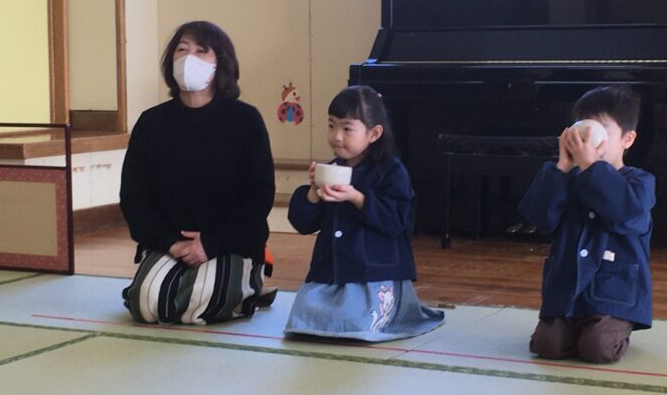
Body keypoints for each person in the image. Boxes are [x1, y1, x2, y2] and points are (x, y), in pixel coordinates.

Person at [120, 20, 276, 325]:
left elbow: (259, 197)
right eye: (182, 50)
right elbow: (133, 196)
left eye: (201, 51)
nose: (188, 58)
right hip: (171, 244)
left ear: (221, 63)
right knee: (146, 306)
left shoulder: (245, 120)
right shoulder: (151, 123)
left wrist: (211, 244)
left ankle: (248, 288)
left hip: (229, 243)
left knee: (205, 302)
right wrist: (170, 242)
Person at [284, 85, 444, 341]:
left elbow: (396, 222)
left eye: (347, 128)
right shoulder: (333, 168)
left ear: (374, 133)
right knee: (303, 318)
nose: (336, 136)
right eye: (331, 125)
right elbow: (303, 223)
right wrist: (314, 191)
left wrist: (356, 198)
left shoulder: (392, 171)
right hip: (330, 271)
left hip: (373, 274)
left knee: (355, 322)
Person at [518, 85, 656, 363]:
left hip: (613, 294)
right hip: (566, 290)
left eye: (600, 131)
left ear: (627, 139)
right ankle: (575, 329)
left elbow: (626, 215)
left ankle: (612, 327)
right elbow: (539, 217)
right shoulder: (565, 178)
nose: (588, 140)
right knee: (548, 345)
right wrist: (561, 168)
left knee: (597, 348)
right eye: (582, 130)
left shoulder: (639, 181)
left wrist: (593, 167)